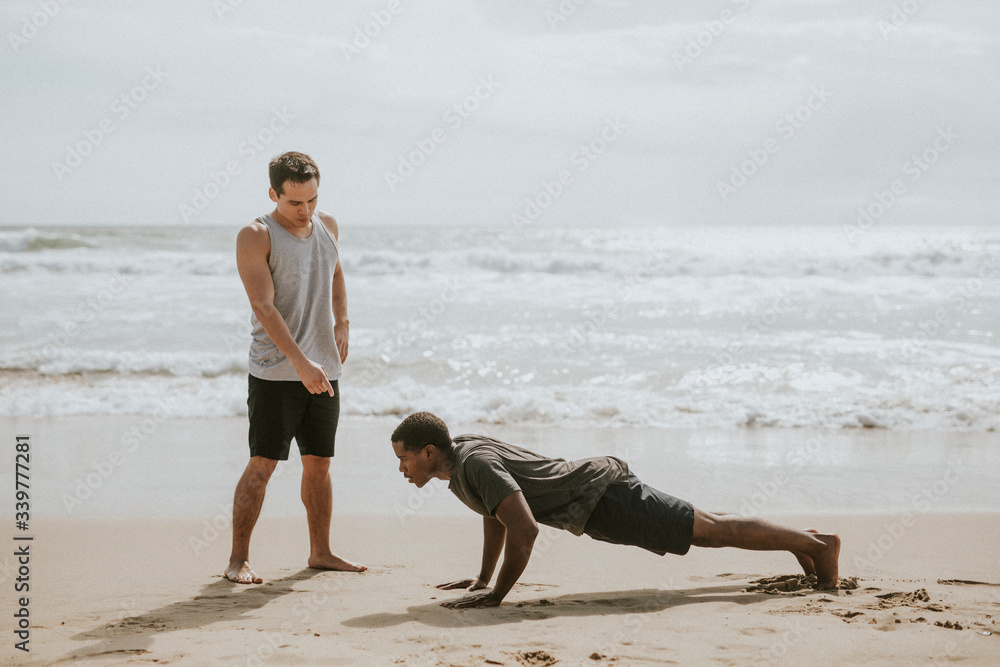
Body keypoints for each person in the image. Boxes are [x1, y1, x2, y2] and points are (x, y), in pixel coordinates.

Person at [390, 412, 840, 608]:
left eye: (404, 459)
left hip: (604, 496)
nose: (402, 469)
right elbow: (496, 515)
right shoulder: (458, 465)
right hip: (597, 496)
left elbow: (524, 530)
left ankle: (818, 546)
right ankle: (801, 540)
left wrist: (496, 597)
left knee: (707, 530)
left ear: (428, 451)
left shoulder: (474, 462)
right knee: (707, 524)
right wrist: (483, 578)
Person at [225, 151, 366, 584]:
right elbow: (263, 306)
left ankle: (320, 552)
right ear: (274, 193)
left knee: (319, 463)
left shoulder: (328, 225)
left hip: (324, 369)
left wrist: (342, 320)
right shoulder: (256, 235)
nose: (305, 212)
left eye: (312, 201)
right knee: (263, 463)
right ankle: (237, 560)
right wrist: (301, 363)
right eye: (294, 203)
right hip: (276, 370)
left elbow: (336, 273)